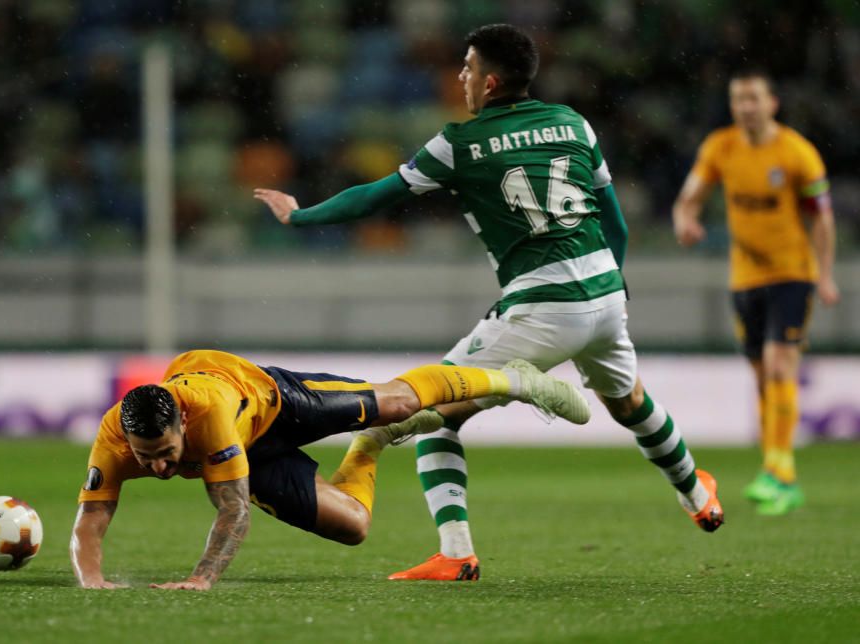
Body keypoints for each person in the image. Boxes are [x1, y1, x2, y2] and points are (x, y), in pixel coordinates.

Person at [255, 23, 724, 582]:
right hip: (604, 292)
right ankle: (698, 494)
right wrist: (612, 289)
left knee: (429, 410)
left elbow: (374, 197)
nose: (461, 76)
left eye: (468, 67)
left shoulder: (459, 143)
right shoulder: (573, 122)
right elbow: (613, 220)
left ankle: (455, 553)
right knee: (629, 403)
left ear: (491, 80)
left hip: (541, 306)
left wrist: (300, 214)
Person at [70, 348, 588, 590]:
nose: (159, 466)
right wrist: (92, 581)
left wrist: (201, 579)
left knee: (398, 402)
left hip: (279, 401)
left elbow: (232, 510)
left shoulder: (208, 417)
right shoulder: (114, 438)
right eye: (146, 456)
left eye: (165, 450)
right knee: (354, 528)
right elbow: (90, 519)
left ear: (181, 420)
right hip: (256, 453)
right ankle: (371, 445)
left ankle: (515, 382)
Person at [672, 69, 839, 516]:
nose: (745, 106)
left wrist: (824, 274)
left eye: (753, 98)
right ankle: (782, 476)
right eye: (737, 99)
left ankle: (776, 469)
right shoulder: (720, 147)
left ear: (773, 104)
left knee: (780, 362)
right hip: (744, 279)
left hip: (792, 273)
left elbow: (822, 217)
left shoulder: (797, 153)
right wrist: (685, 220)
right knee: (763, 376)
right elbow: (689, 196)